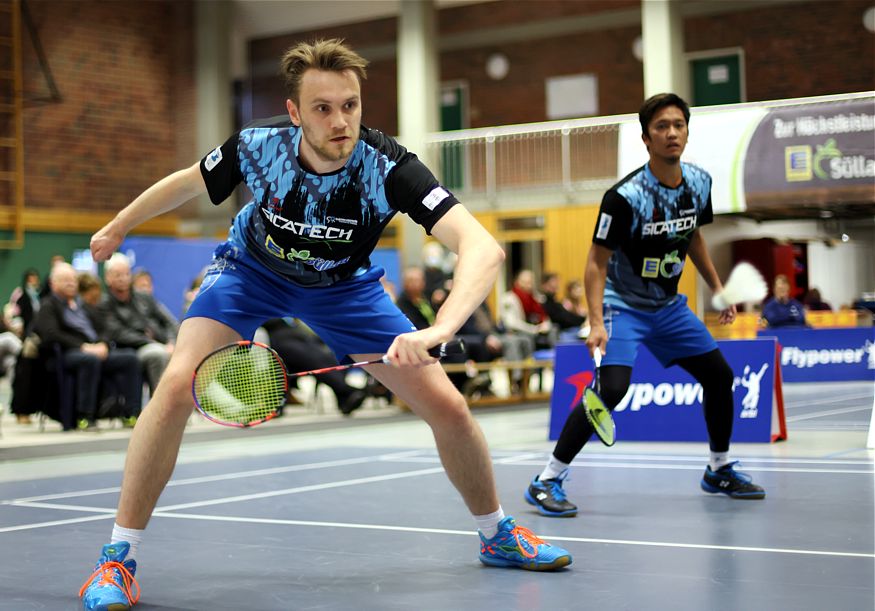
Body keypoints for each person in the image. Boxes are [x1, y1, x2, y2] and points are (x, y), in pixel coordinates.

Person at [79, 38, 570, 611]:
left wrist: (437, 331)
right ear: (294, 113)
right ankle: (117, 559)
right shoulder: (258, 145)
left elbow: (481, 248)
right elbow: (189, 181)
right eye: (323, 108)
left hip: (345, 288)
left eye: (351, 105)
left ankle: (497, 534)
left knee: (450, 406)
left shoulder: (390, 167)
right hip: (250, 270)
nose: (341, 121)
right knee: (174, 387)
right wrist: (118, 227)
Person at [525, 93, 765, 519]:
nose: (671, 132)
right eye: (661, 127)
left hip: (669, 306)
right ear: (646, 138)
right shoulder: (624, 197)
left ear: (687, 132)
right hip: (624, 307)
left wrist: (717, 287)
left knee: (719, 375)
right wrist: (595, 321)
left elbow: (692, 237)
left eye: (678, 124)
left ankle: (719, 468)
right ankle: (547, 478)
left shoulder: (699, 183)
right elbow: (595, 264)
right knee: (611, 390)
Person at [32, 263, 142, 430]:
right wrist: (83, 346)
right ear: (53, 283)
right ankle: (85, 417)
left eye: (73, 280)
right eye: (65, 280)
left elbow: (105, 327)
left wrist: (103, 344)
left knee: (130, 358)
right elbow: (50, 334)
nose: (71, 283)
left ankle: (131, 414)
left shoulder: (81, 305)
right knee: (89, 360)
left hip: (94, 351)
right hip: (66, 354)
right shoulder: (48, 306)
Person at [100, 253, 178, 394]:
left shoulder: (144, 297)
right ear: (107, 278)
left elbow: (170, 322)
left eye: (126, 274)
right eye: (117, 275)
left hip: (163, 344)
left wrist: (172, 342)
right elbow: (119, 334)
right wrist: (154, 343)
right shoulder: (104, 304)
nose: (123, 279)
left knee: (183, 354)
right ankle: (160, 408)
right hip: (132, 350)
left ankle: (190, 408)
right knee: (158, 354)